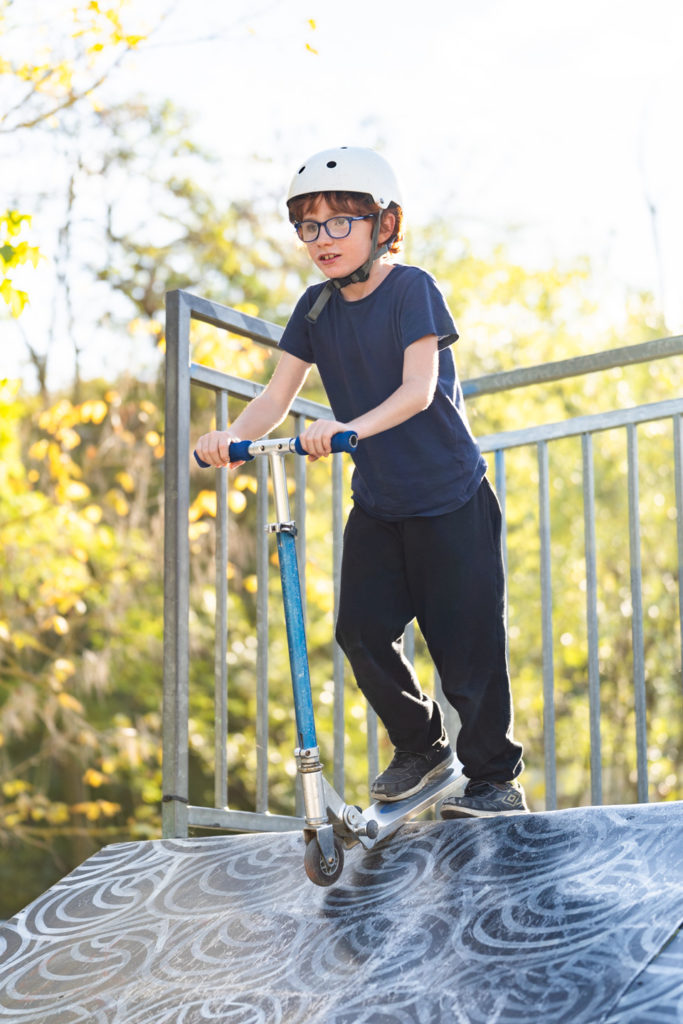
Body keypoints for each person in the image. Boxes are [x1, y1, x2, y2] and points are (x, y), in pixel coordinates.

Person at [195, 146, 527, 818]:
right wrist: (230, 437)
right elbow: (275, 396)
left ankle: (494, 782)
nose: (322, 240)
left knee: (467, 648)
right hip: (380, 502)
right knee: (360, 631)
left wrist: (347, 429)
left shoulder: (413, 290)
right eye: (308, 226)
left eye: (339, 222)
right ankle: (421, 745)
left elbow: (416, 390)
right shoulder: (315, 310)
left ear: (383, 224)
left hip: (450, 497)